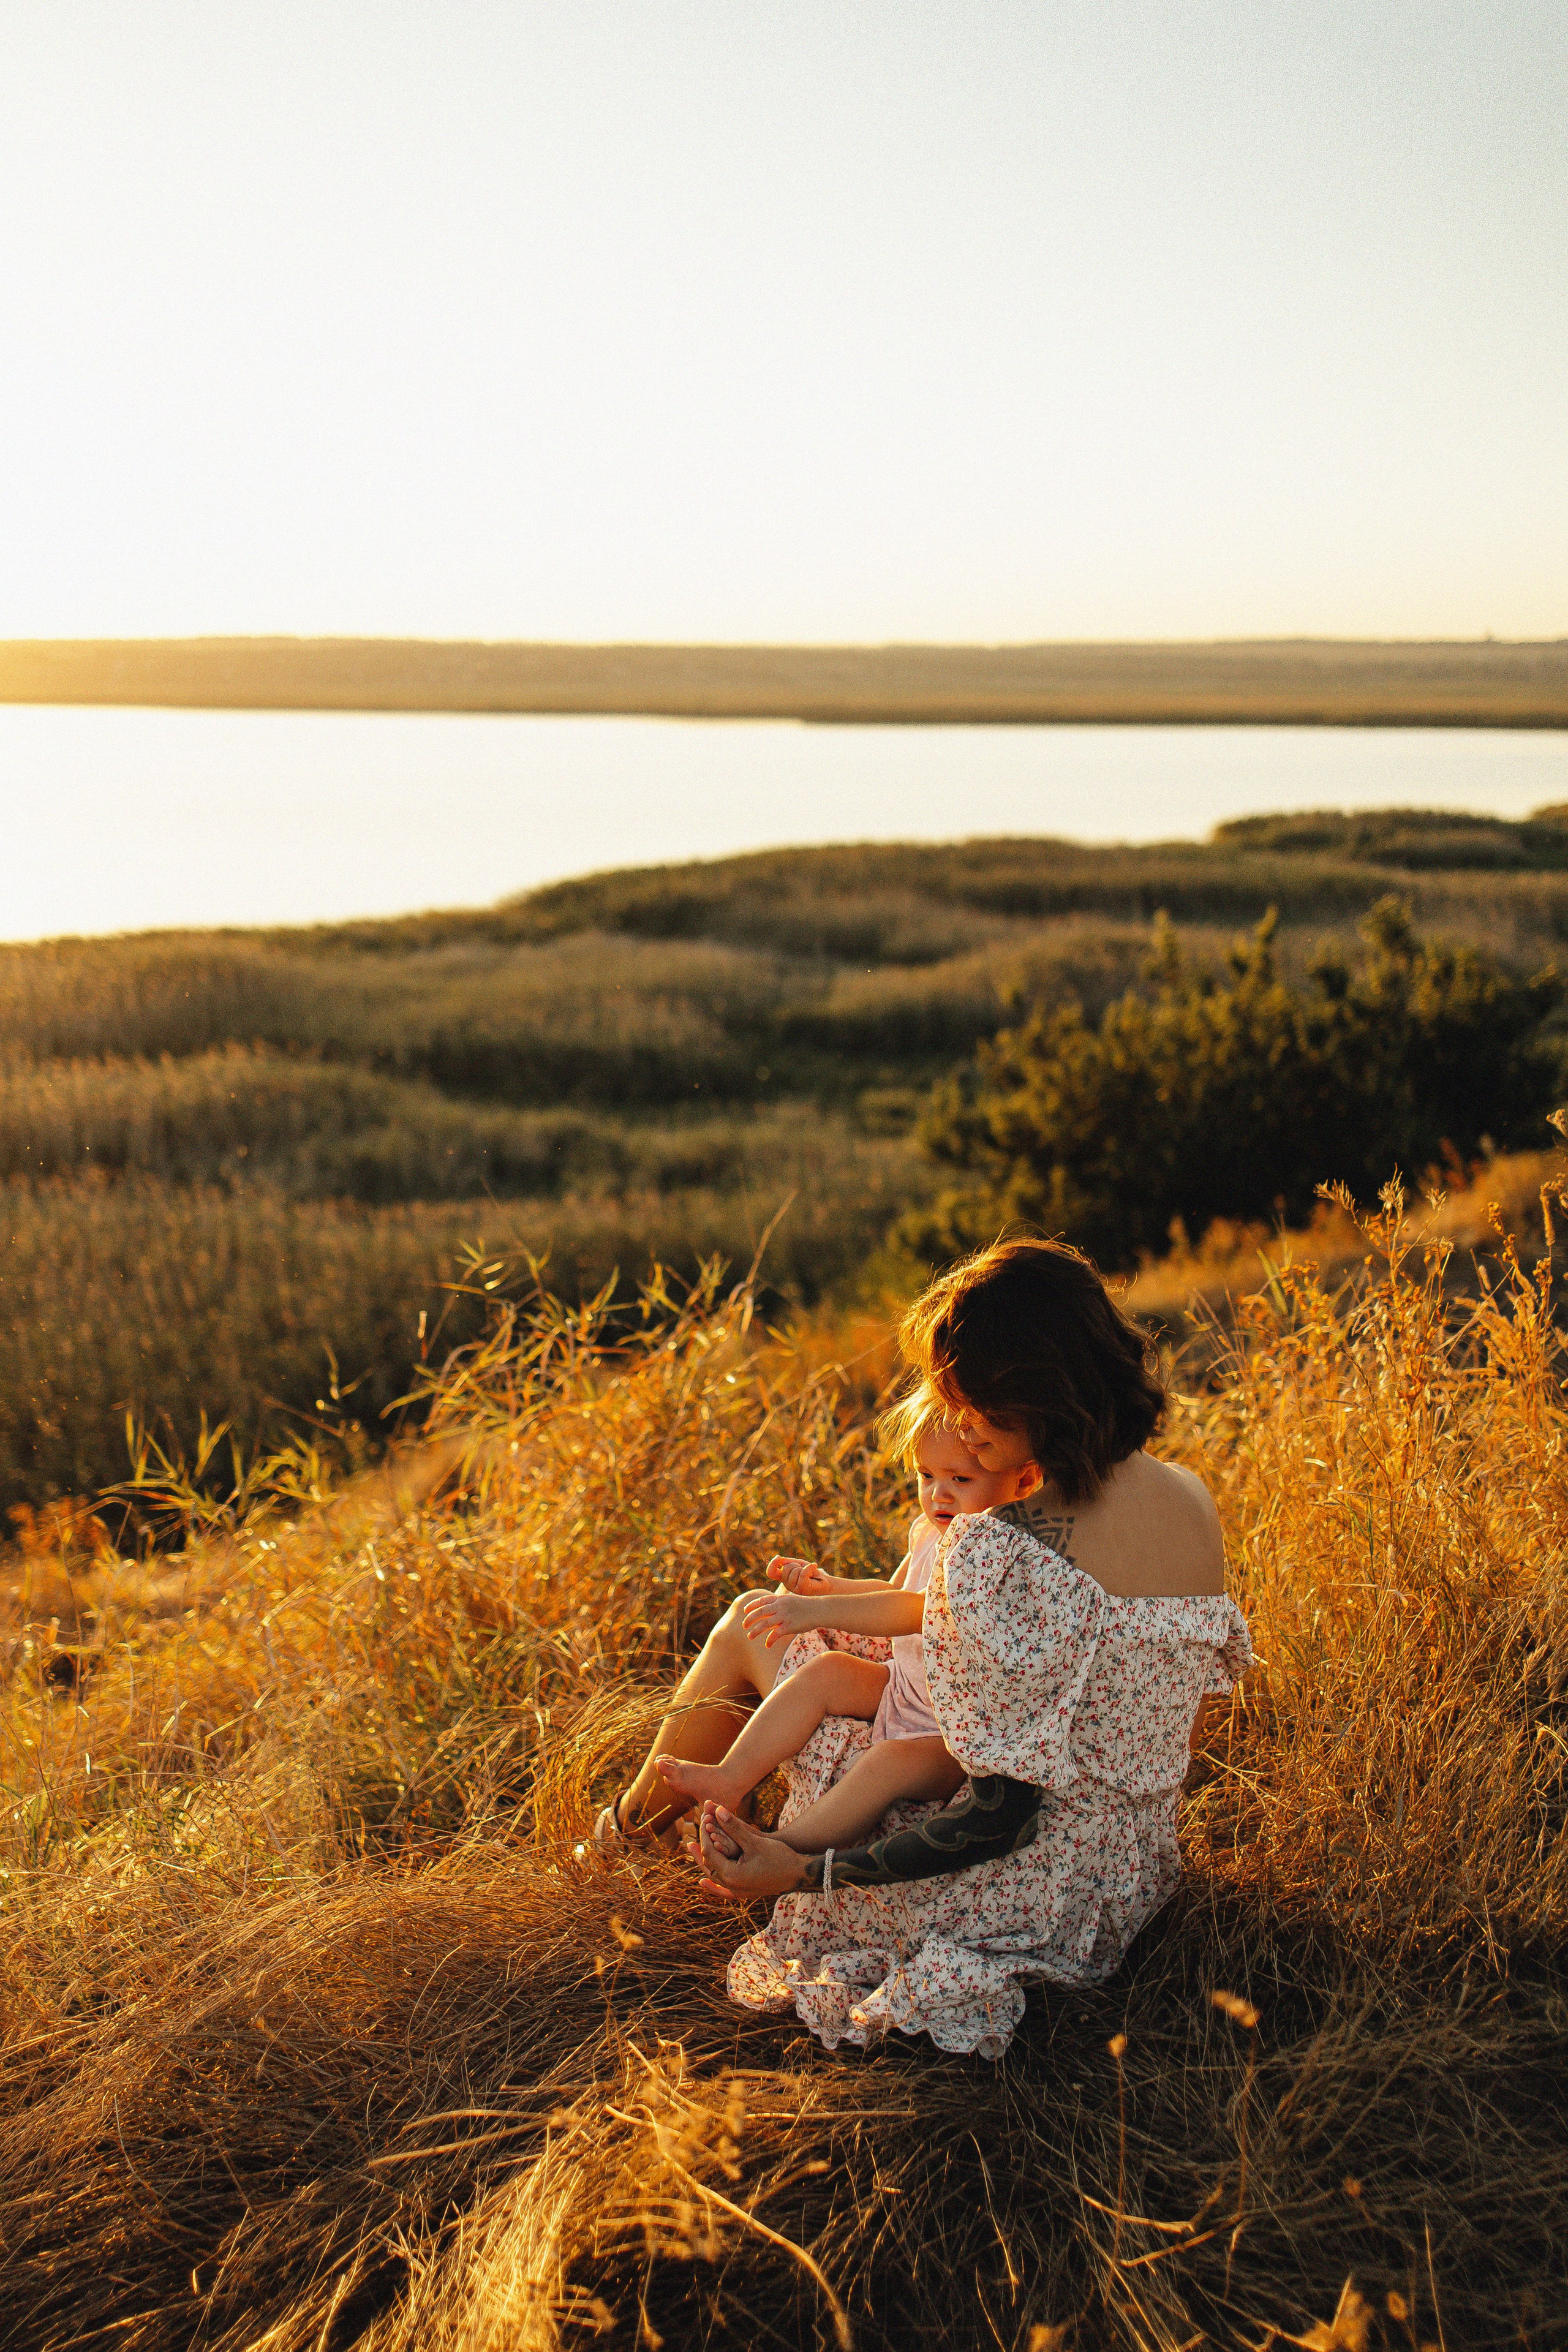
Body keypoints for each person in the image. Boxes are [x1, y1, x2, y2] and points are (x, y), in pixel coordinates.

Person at [691, 1235, 1254, 2059]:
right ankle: (644, 1818)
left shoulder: (1004, 1543)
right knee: (809, 1653)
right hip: (1126, 1885)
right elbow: (1173, 1736)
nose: (955, 1420)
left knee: (794, 1670)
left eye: (970, 1398)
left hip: (1017, 1897)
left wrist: (807, 1873)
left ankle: (638, 1827)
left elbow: (998, 1819)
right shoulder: (1193, 1498)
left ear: (1036, 1391)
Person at [646, 1400, 1041, 1856]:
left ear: (1024, 1481)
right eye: (926, 1476)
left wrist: (817, 1612)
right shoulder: (932, 1532)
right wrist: (829, 1588)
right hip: (904, 1687)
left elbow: (917, 1610)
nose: (939, 1495)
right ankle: (730, 1778)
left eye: (961, 1480)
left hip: (947, 1734)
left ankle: (782, 1849)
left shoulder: (1001, 1549)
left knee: (888, 1763)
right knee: (828, 1670)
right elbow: (893, 1589)